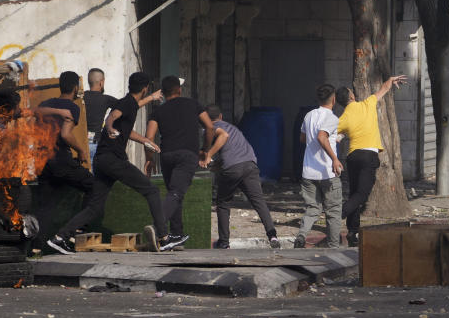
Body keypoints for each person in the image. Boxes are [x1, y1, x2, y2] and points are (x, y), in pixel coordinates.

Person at [47, 72, 181, 254]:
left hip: (102, 160)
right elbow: (111, 118)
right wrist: (109, 128)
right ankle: (164, 238)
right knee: (151, 190)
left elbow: (126, 129)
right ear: (145, 88)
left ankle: (59, 238)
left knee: (95, 206)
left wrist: (145, 141)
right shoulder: (126, 104)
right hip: (112, 159)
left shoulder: (129, 103)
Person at [335, 75, 405, 246]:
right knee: (362, 194)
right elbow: (384, 89)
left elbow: (334, 138)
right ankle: (338, 214)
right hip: (368, 156)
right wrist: (391, 79)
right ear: (351, 96)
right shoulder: (367, 103)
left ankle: (353, 232)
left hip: (352, 157)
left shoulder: (342, 118)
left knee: (354, 192)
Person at [145, 75, 213, 244]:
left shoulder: (158, 111)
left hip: (166, 156)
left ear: (164, 92)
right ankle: (157, 228)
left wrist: (150, 159)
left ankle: (176, 235)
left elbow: (149, 137)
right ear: (179, 90)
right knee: (176, 193)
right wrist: (205, 149)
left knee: (174, 194)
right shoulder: (193, 104)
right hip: (187, 155)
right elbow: (210, 127)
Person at [201, 105, 279, 249]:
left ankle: (224, 243)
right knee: (259, 202)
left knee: (223, 204)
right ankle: (273, 236)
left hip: (233, 168)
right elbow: (231, 153)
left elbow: (224, 136)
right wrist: (215, 166)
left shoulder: (210, 129)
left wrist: (208, 156)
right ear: (221, 116)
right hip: (250, 165)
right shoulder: (233, 127)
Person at [34, 70, 94, 205]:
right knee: (93, 186)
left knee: (45, 206)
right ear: (75, 88)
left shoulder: (45, 103)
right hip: (60, 161)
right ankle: (81, 225)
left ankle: (39, 226)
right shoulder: (72, 107)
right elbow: (65, 134)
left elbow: (34, 112)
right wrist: (81, 150)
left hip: (42, 162)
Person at [296, 84, 343, 248]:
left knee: (312, 208)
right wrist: (335, 159)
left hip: (308, 171)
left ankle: (301, 236)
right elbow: (321, 137)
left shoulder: (309, 115)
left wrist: (331, 139)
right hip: (327, 173)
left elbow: (303, 138)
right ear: (334, 99)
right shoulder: (332, 118)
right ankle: (334, 247)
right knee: (333, 212)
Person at [83, 68, 114, 161]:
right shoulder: (105, 99)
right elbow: (128, 105)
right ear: (101, 82)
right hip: (94, 145)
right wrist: (150, 98)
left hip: (78, 145)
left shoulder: (79, 98)